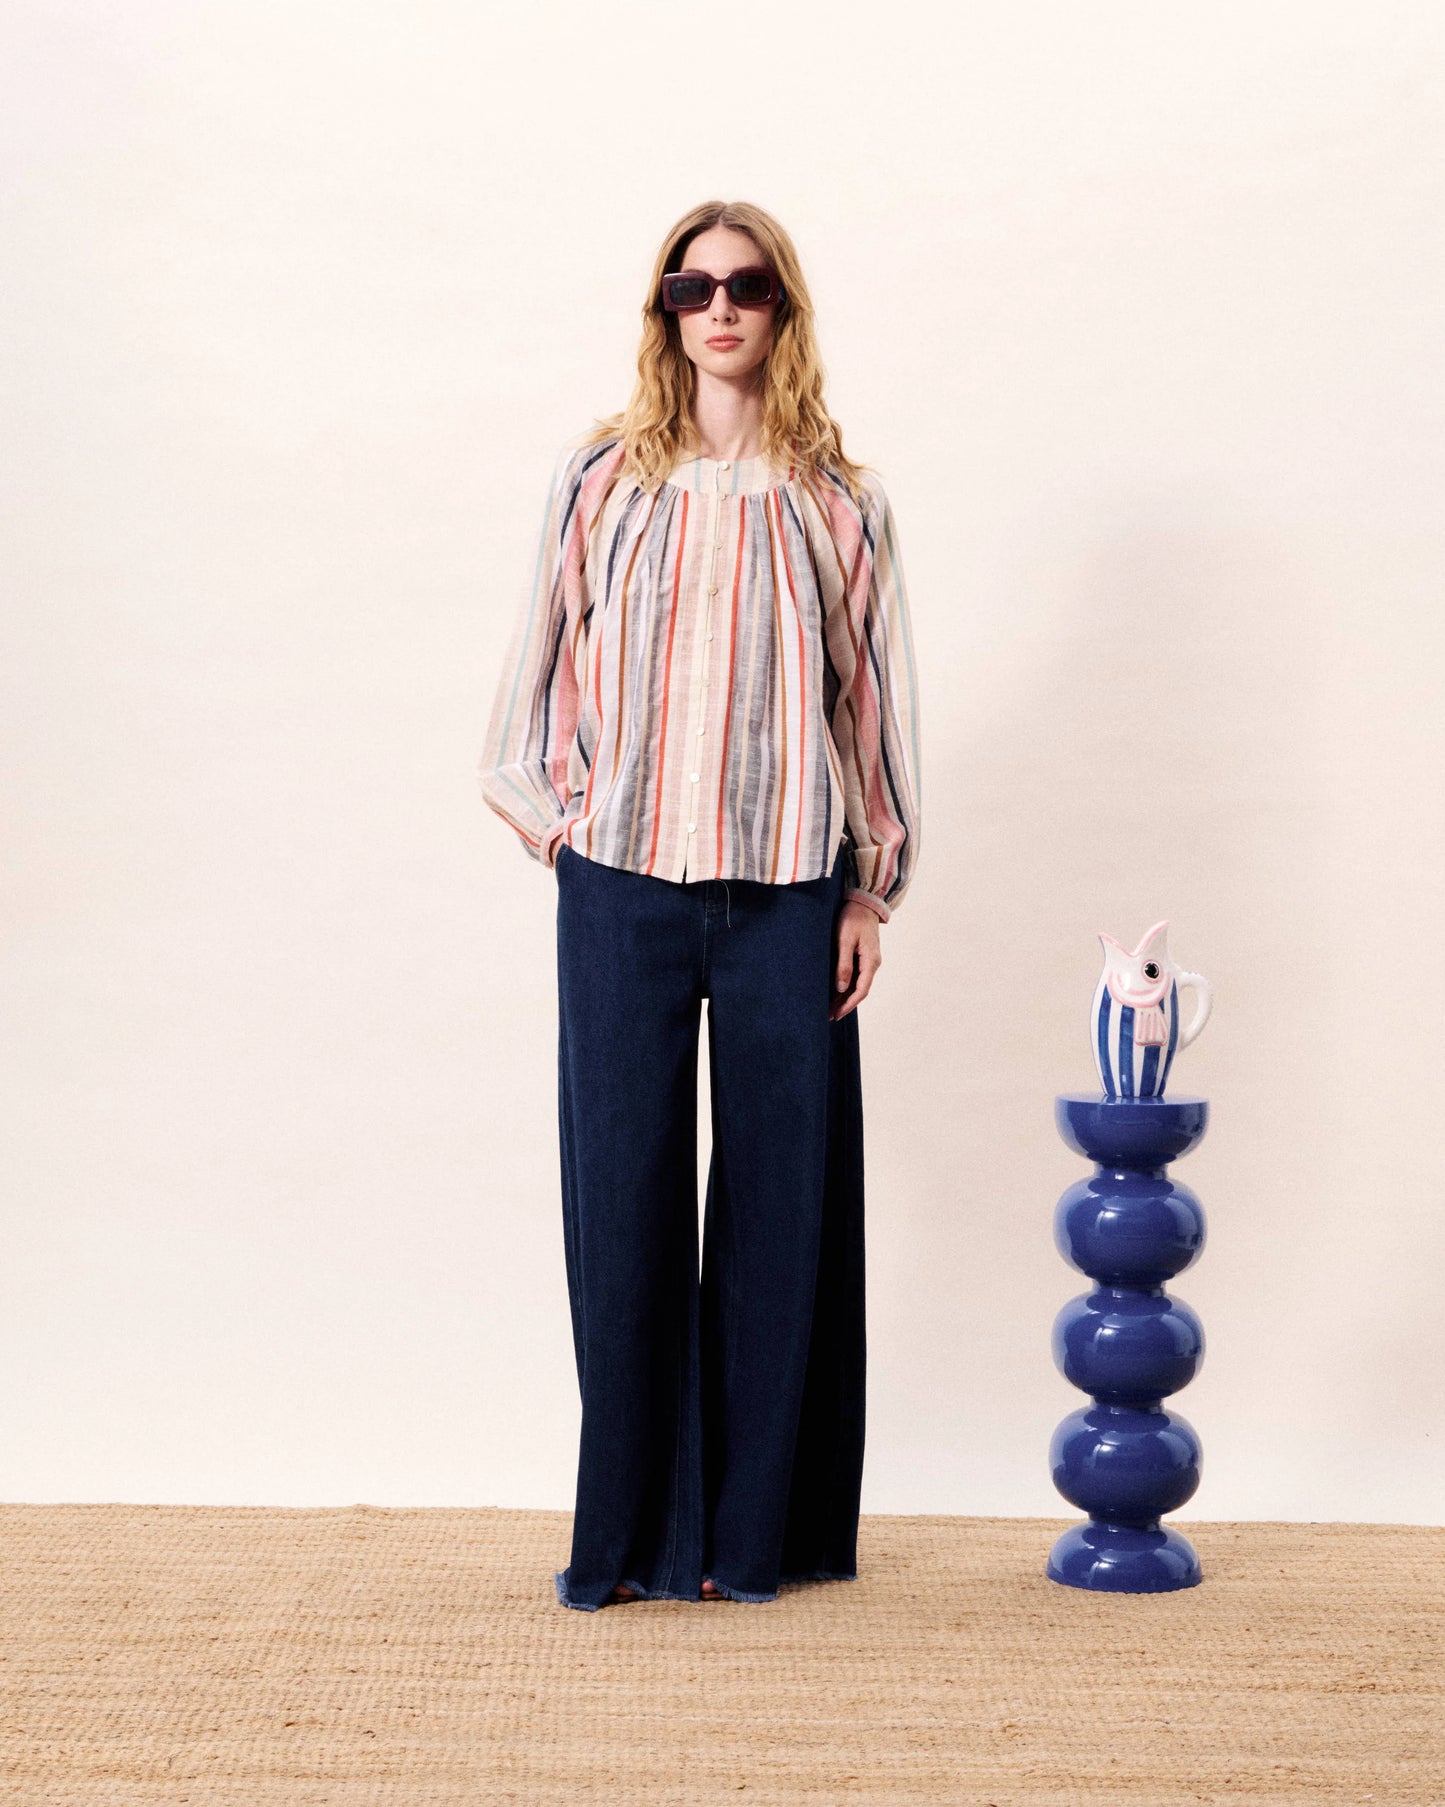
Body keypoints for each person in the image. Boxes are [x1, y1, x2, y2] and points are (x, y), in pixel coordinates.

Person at [477, 200, 922, 1610]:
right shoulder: (602, 478)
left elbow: (868, 705)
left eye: (745, 286)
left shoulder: (839, 500)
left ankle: (752, 1543)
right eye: (690, 287)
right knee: (624, 1206)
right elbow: (538, 674)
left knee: (784, 1213)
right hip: (622, 887)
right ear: (663, 312)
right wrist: (567, 832)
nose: (717, 308)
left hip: (792, 892)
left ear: (783, 310)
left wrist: (868, 889)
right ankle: (630, 1544)